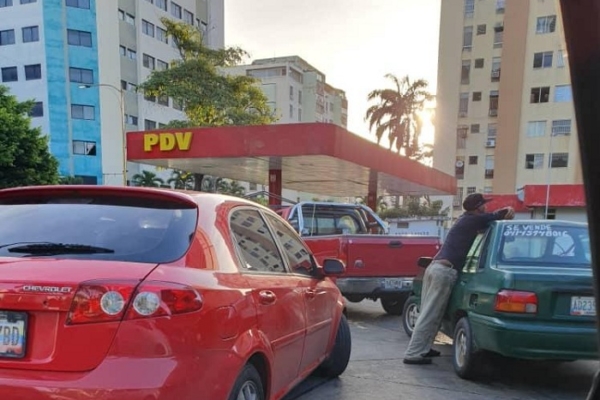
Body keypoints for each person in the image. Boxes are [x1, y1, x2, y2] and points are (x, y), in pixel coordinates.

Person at [403, 193, 515, 365]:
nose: (485, 207)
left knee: (428, 312)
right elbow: (498, 215)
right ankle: (414, 354)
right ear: (478, 207)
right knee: (431, 314)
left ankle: (423, 348)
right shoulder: (472, 220)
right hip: (444, 271)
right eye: (483, 205)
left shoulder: (465, 220)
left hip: (435, 267)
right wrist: (508, 210)